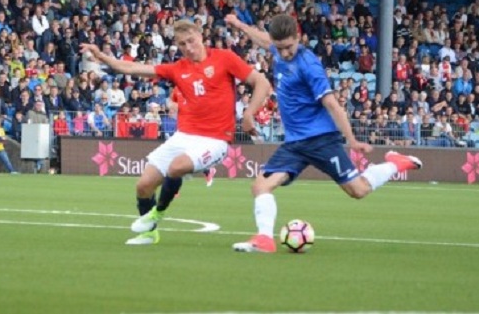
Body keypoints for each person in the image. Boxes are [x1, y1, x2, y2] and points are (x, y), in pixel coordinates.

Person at [225, 13, 422, 253]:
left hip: (320, 140)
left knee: (357, 190)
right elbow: (264, 40)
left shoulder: (309, 66)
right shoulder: (277, 48)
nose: (284, 53)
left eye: (288, 47)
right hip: (294, 143)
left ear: (298, 37)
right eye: (280, 48)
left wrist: (350, 138)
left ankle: (395, 163)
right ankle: (265, 239)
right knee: (260, 187)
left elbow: (331, 103)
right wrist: (239, 25)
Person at [80, 19, 271, 245]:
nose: (188, 48)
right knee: (143, 186)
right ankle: (149, 233)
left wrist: (248, 114)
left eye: (191, 41)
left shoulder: (224, 58)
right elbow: (132, 68)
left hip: (216, 139)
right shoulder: (178, 68)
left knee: (177, 167)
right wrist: (101, 56)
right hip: (184, 137)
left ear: (201, 35)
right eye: (182, 44)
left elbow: (262, 83)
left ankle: (157, 213)